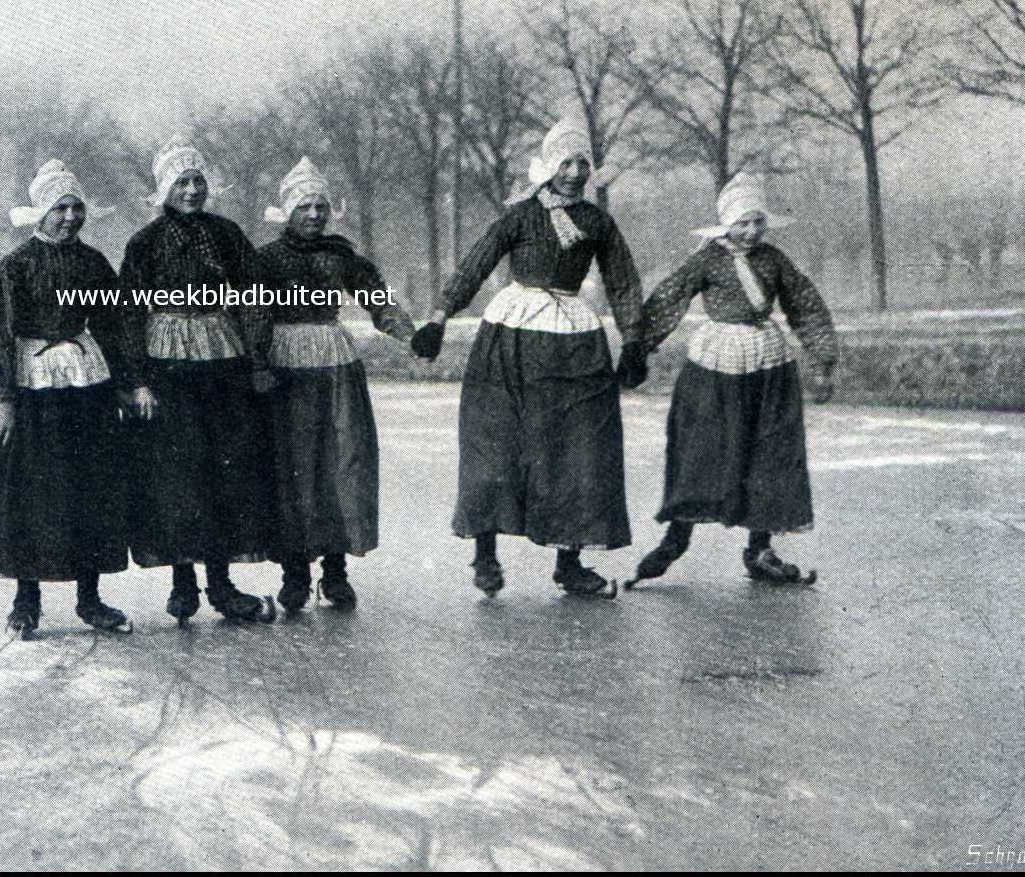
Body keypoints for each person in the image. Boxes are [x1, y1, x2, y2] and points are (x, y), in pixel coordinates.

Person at [411, 116, 648, 598]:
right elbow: (475, 264)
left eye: (584, 162)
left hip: (574, 340)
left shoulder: (598, 222)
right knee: (497, 443)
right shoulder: (519, 216)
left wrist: (635, 340)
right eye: (567, 162)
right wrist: (439, 317)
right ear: (548, 167)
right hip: (512, 339)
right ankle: (485, 554)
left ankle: (570, 562)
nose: (577, 172)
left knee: (580, 449)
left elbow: (622, 281)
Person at [0, 160, 153, 638]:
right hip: (32, 392)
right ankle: (26, 599)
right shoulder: (15, 266)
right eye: (60, 208)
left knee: (88, 486)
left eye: (77, 208)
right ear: (40, 213)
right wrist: (4, 398)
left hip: (84, 387)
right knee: (31, 490)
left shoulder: (94, 264)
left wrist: (130, 383)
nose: (71, 217)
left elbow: (115, 328)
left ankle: (90, 600)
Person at [626, 172, 837, 588]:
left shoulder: (774, 260)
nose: (752, 230)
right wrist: (639, 348)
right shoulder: (707, 259)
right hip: (715, 366)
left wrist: (823, 360)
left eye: (758, 221)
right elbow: (670, 296)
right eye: (743, 222)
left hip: (768, 363)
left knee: (771, 451)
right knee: (701, 449)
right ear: (726, 224)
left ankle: (760, 548)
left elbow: (806, 305)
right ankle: (676, 538)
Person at [119, 137, 277, 625]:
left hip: (221, 360)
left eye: (198, 181)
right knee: (177, 473)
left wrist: (257, 355)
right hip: (167, 365)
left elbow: (258, 294)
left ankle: (223, 585)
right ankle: (182, 583)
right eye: (181, 182)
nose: (192, 191)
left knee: (224, 470)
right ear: (164, 189)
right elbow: (126, 314)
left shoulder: (227, 235)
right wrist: (137, 380)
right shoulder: (144, 244)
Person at [255, 157, 415, 613]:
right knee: (293, 467)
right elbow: (250, 313)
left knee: (341, 462)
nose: (313, 215)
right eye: (304, 207)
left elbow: (377, 301)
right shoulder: (264, 259)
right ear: (287, 211)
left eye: (321, 207)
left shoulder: (341, 255)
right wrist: (255, 363)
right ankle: (295, 572)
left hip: (335, 365)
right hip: (286, 369)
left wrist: (409, 332)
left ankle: (335, 569)